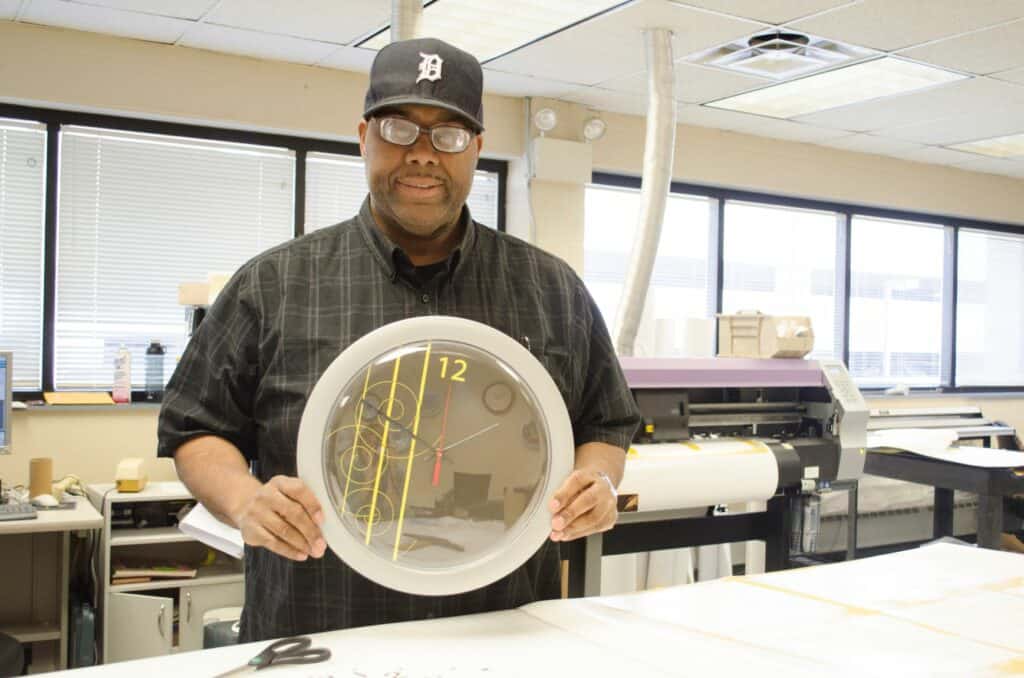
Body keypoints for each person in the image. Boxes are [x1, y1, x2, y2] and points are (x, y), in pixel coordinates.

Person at [158, 37, 640, 642]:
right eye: (399, 129)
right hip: (321, 630)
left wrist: (598, 482)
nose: (423, 154)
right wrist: (245, 500)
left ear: (477, 149)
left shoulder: (551, 288)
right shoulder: (275, 284)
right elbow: (194, 426)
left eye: (449, 135)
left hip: (499, 632)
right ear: (364, 137)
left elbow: (606, 423)